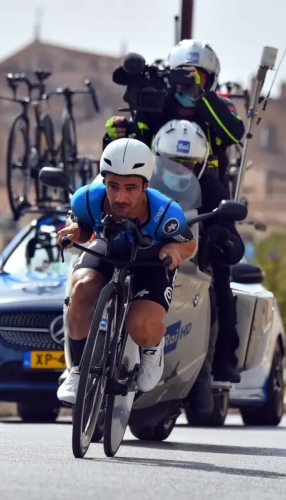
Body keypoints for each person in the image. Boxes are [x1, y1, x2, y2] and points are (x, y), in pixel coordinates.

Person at [55, 138, 197, 406]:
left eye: (130, 188)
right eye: (113, 186)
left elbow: (188, 243)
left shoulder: (166, 212)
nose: (120, 197)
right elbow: (82, 227)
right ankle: (76, 369)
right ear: (104, 181)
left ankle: (153, 347)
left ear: (146, 185)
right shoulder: (86, 198)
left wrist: (175, 253)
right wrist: (74, 233)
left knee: (140, 325)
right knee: (81, 289)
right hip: (108, 251)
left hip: (151, 260)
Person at [151, 119, 245, 413]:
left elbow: (235, 242)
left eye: (188, 164)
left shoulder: (213, 188)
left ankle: (202, 375)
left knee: (213, 300)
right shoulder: (141, 179)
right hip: (144, 258)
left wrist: (223, 235)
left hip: (192, 266)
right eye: (172, 163)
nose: (180, 170)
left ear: (202, 164)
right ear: (156, 158)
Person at [104, 39, 245, 192]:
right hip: (156, 191)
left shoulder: (220, 106)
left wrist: (200, 96)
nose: (189, 82)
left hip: (208, 198)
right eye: (183, 76)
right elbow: (134, 150)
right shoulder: (156, 105)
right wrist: (117, 136)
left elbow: (235, 133)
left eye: (198, 77)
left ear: (210, 80)